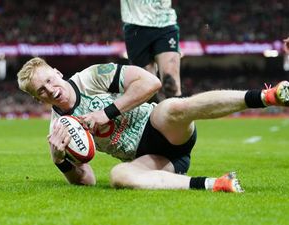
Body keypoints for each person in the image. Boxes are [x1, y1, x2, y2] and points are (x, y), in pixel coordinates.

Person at [17, 57, 289, 192]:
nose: (50, 90)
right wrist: (60, 160)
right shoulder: (58, 127)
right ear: (36, 98)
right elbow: (87, 180)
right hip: (152, 159)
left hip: (162, 127)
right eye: (41, 90)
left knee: (171, 106)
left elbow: (151, 83)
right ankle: (216, 184)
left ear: (57, 72)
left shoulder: (92, 77)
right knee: (118, 176)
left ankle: (266, 96)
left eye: (50, 80)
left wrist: (107, 112)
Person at [120, 0, 182, 101]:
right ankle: (154, 114)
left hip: (165, 23)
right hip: (135, 24)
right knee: (146, 85)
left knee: (170, 82)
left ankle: (177, 114)